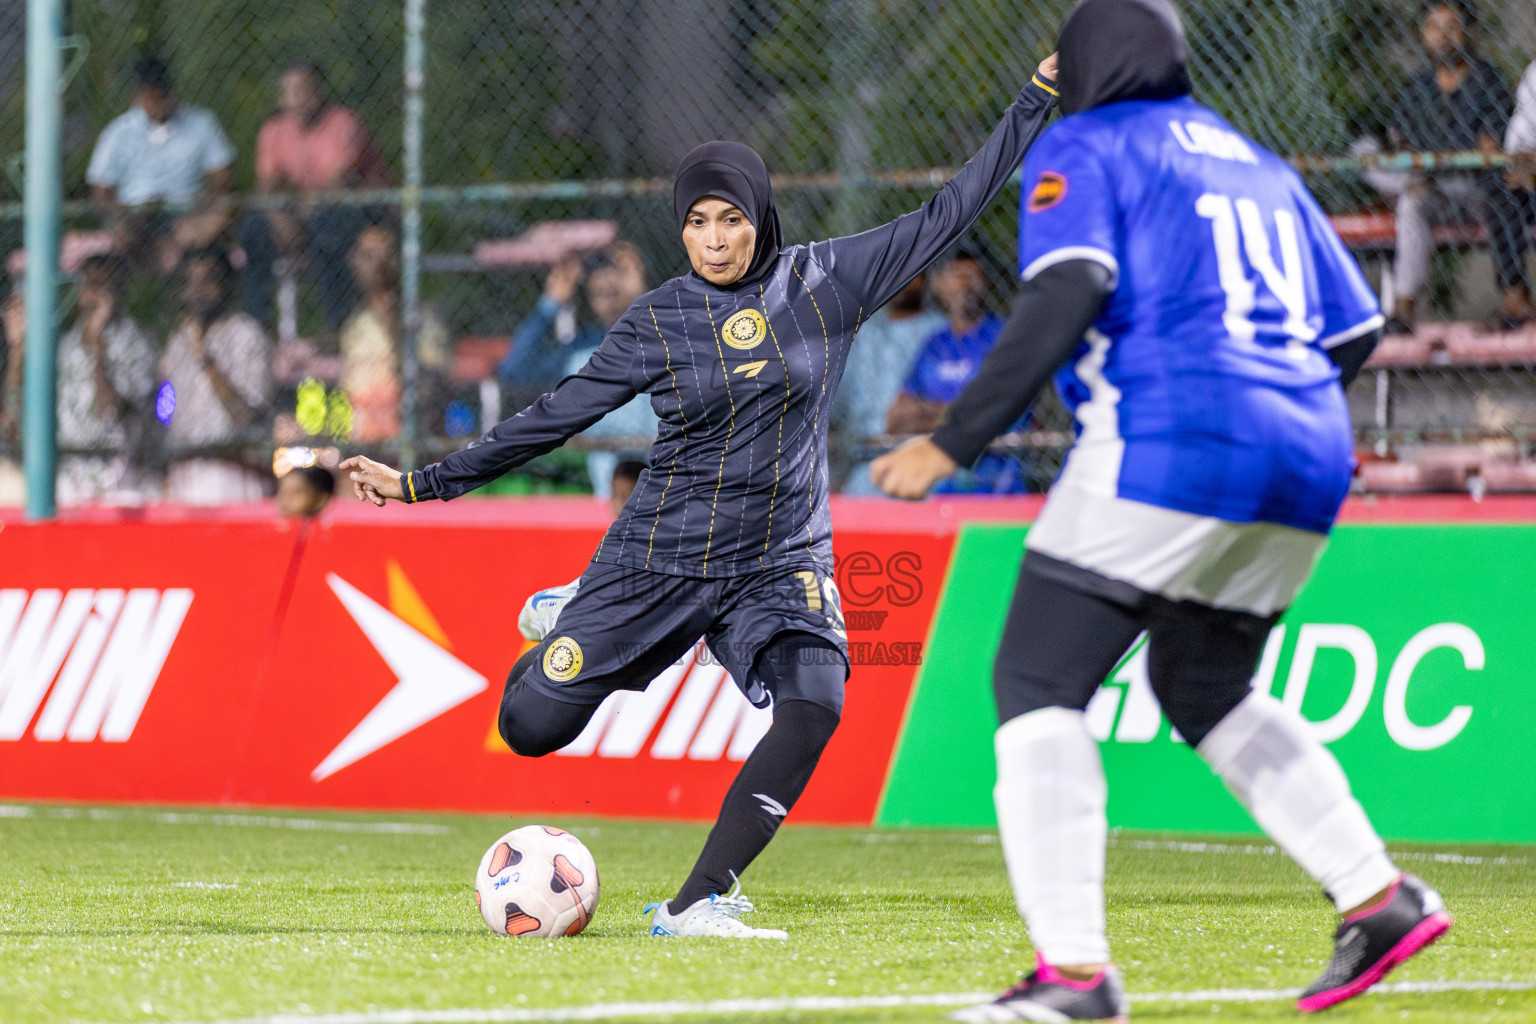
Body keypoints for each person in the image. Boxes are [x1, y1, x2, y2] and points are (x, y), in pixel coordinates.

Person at [341, 52, 1061, 939]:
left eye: (730, 219)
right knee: (529, 725)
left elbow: (950, 211)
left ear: (759, 215)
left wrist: (1037, 100)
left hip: (777, 557)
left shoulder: (827, 283)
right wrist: (422, 484)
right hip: (659, 556)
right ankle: (571, 613)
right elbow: (557, 415)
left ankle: (697, 901)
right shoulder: (658, 320)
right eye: (696, 223)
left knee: (819, 700)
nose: (714, 239)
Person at [873, 2, 1449, 1020]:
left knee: (1036, 677)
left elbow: (1064, 295)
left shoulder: (1086, 144)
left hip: (1174, 439)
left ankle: (1074, 978)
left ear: (1094, 64)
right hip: (1311, 450)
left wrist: (951, 438)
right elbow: (1355, 331)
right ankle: (1379, 896)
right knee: (1202, 682)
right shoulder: (1260, 163)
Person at [1374, 2, 1531, 332]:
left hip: (1477, 188)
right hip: (1432, 189)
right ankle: (1403, 309)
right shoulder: (1417, 88)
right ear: (1423, 34)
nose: (1443, 37)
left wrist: (1437, 157)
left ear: (1467, 33)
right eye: (1434, 27)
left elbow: (1489, 148)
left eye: (1452, 27)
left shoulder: (1486, 80)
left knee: (1499, 188)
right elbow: (1403, 141)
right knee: (1411, 203)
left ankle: (1514, 297)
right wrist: (1417, 170)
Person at [497, 243, 659, 498]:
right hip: (609, 490)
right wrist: (550, 304)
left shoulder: (662, 334)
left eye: (616, 289)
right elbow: (514, 370)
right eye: (600, 293)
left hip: (671, 479)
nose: (610, 300)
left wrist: (645, 297)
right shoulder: (580, 352)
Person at [241, 61, 390, 334]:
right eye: (288, 91)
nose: (295, 98)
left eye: (302, 90)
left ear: (318, 92)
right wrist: (278, 218)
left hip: (359, 208)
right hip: (306, 210)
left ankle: (336, 323)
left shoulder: (344, 123)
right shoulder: (274, 131)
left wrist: (299, 213)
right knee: (254, 227)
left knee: (327, 226)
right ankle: (257, 323)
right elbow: (267, 187)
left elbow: (339, 184)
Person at [2, 256, 157, 504]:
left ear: (120, 290)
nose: (93, 289)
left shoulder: (137, 342)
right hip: (67, 483)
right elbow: (12, 420)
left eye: (103, 282)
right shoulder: (65, 346)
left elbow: (110, 411)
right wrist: (19, 347)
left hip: (120, 485)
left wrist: (97, 345)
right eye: (88, 282)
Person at [885, 248, 1026, 494]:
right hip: (939, 488)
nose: (963, 285)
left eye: (973, 276)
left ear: (989, 283)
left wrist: (929, 412)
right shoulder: (934, 344)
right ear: (938, 284)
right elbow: (895, 419)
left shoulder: (1004, 336)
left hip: (996, 485)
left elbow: (998, 415)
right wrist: (955, 415)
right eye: (954, 275)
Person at [85, 58, 236, 272]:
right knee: (125, 231)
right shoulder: (118, 133)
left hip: (187, 212)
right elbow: (101, 190)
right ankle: (144, 287)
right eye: (149, 97)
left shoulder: (201, 123)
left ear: (171, 91)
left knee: (220, 216)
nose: (157, 103)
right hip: (136, 215)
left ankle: (188, 281)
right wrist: (125, 211)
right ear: (137, 96)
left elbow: (223, 177)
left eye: (161, 95)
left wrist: (205, 202)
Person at [161, 249, 275, 504]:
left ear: (228, 285)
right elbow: (170, 412)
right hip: (186, 474)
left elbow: (246, 415)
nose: (198, 290)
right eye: (191, 282)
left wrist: (205, 358)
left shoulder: (247, 335)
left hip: (234, 475)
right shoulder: (180, 338)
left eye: (208, 280)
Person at [832, 272, 944, 494]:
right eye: (895, 270)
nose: (900, 280)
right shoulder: (862, 332)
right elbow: (836, 405)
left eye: (910, 272)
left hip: (922, 454)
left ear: (924, 279)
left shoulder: (940, 330)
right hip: (863, 458)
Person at [337, 225, 450, 442]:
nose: (378, 264)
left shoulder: (423, 318)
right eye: (367, 255)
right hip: (363, 435)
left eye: (384, 255)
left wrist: (395, 330)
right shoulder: (355, 323)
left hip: (411, 433)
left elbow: (433, 382)